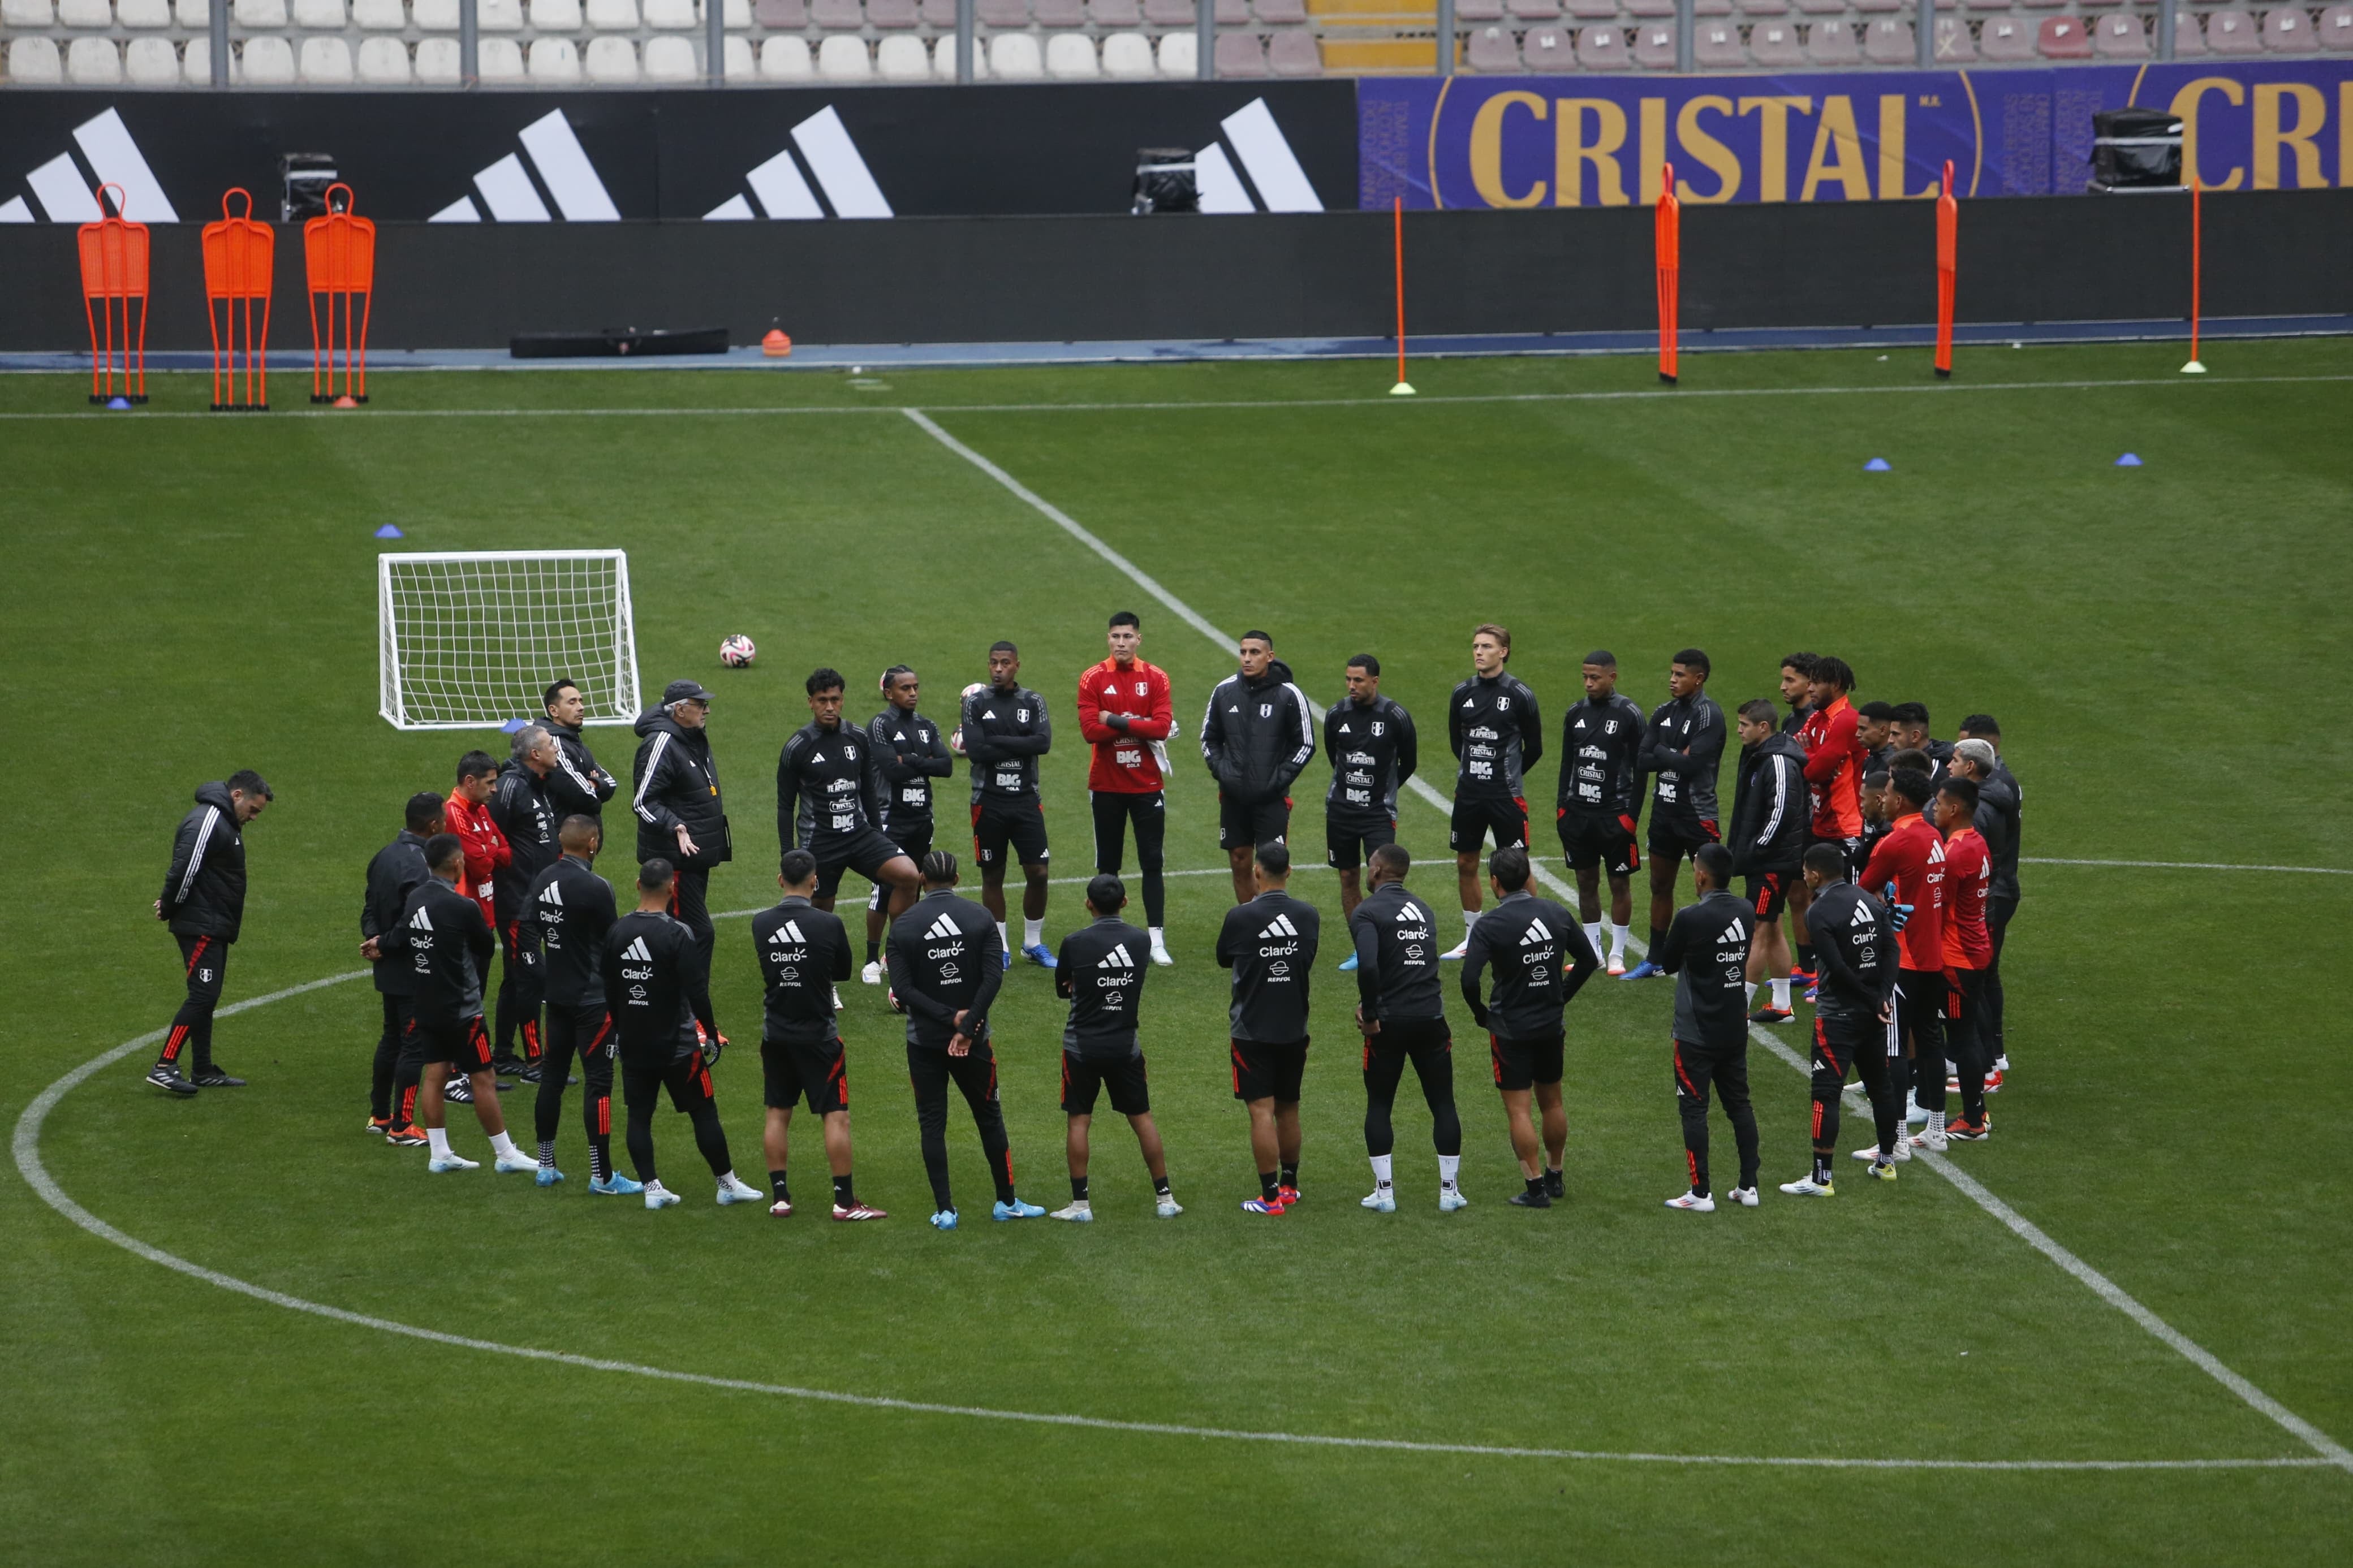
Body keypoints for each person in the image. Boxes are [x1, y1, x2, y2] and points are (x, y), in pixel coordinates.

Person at [886, 851, 1046, 1229]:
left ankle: (945, 1210)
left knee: (932, 1124)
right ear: (957, 878)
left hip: (924, 1042)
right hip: (975, 1042)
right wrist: (967, 1025)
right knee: (990, 1117)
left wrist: (947, 1019)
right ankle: (1006, 1201)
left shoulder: (905, 925)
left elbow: (903, 988)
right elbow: (993, 978)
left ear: (922, 879)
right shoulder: (980, 918)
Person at [600, 859, 763, 1211]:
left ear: (637, 884)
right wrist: (709, 1031)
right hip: (677, 1044)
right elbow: (697, 991)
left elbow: (610, 987)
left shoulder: (617, 931)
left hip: (633, 1042)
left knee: (639, 1115)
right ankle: (727, 1184)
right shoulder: (677, 933)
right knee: (704, 1112)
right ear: (672, 889)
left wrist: (620, 1026)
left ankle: (652, 1189)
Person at [374, 833, 536, 1175]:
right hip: (463, 1010)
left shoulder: (417, 896)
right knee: (484, 1078)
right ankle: (505, 1153)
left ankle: (440, 1153)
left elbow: (403, 935)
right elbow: (483, 945)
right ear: (458, 863)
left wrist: (381, 944)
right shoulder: (463, 906)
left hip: (426, 1004)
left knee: (435, 1073)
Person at [1460, 845, 1600, 1209]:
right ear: (1528, 877)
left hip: (1510, 1030)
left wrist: (1480, 1013)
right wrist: (1561, 996)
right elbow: (1588, 960)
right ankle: (1555, 1176)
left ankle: (1535, 1188)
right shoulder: (1555, 912)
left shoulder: (1490, 925)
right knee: (1552, 1102)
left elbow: (1469, 980)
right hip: (1551, 1025)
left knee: (1519, 1111)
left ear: (1494, 882)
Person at [753, 848, 882, 1221]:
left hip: (775, 1031)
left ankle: (780, 1197)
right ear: (815, 881)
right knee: (835, 1115)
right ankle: (844, 1202)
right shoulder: (829, 924)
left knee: (777, 1112)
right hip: (819, 1035)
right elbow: (842, 969)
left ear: (780, 880)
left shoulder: (761, 923)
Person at [1050, 875, 1182, 1221]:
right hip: (1126, 1046)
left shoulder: (1074, 943)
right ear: (1125, 902)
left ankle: (1080, 1206)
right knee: (1142, 1120)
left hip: (1081, 1046)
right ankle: (1165, 1199)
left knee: (1079, 1122)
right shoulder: (1140, 941)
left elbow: (1062, 990)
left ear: (1088, 904)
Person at [1347, 844, 1467, 1213]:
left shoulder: (1367, 911)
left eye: (1370, 865)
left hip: (1390, 1023)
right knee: (1443, 1102)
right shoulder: (1424, 909)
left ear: (1380, 869)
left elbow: (1368, 967)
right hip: (1431, 1017)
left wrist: (1370, 1013)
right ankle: (1449, 1191)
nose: (1367, 871)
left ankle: (1385, 1193)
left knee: (1380, 1104)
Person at [520, 814, 633, 1194]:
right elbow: (615, 945)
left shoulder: (543, 879)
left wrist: (543, 977)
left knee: (552, 1076)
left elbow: (527, 929)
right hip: (593, 1000)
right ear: (593, 844)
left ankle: (546, 1164)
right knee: (599, 1083)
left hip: (558, 996)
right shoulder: (596, 887)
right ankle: (601, 1175)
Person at [1782, 842, 1901, 1194]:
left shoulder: (1817, 912)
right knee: (1880, 1087)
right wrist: (1882, 996)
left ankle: (1822, 1179)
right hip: (1872, 1014)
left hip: (1838, 1017)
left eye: (1805, 871)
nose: (1803, 876)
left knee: (1825, 1094)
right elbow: (1892, 948)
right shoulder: (1868, 899)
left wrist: (1870, 997)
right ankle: (1887, 1163)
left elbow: (1835, 965)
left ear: (1816, 875)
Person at [147, 771, 272, 1095]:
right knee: (203, 996)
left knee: (207, 996)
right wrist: (171, 906)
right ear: (237, 795)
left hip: (213, 923)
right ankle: (164, 1065)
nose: (254, 818)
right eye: (254, 810)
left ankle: (202, 1068)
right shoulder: (209, 820)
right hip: (200, 924)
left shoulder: (224, 821)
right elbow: (184, 869)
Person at [776, 668, 922, 938]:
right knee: (821, 911)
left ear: (843, 699)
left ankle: (897, 951)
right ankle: (822, 974)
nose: (829, 707)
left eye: (835, 699)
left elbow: (868, 790)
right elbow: (785, 806)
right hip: (820, 840)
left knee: (909, 875)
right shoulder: (798, 747)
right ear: (811, 702)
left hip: (859, 834)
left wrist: (878, 834)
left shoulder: (857, 736)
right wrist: (789, 855)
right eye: (822, 700)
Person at [1215, 841, 1320, 1213]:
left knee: (1262, 1111)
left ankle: (1271, 1197)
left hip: (1252, 1030)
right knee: (1289, 1109)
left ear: (1256, 871)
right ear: (1289, 871)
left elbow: (1223, 957)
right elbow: (1307, 957)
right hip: (1294, 1026)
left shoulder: (1240, 917)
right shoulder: (1308, 916)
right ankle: (1290, 1185)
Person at [1654, 844, 1760, 1212]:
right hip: (1733, 1025)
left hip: (1695, 1031)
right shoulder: (1746, 910)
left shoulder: (1689, 917)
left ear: (1701, 875)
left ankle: (1701, 1193)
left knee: (1694, 1110)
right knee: (1740, 1105)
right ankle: (1749, 1185)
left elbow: (1667, 963)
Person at [1077, 612, 1176, 966]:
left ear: (1139, 640)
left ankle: (1156, 941)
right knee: (1108, 864)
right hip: (1106, 785)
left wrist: (1114, 720)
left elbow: (1163, 728)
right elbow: (1091, 731)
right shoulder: (1092, 678)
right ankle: (1107, 936)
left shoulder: (1156, 678)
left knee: (1152, 861)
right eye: (1116, 636)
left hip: (1147, 785)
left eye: (1128, 637)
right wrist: (1140, 726)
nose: (1121, 642)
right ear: (1108, 639)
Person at [1858, 770, 1949, 1151]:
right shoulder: (1933, 835)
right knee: (1930, 1039)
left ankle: (1894, 1141)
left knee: (1893, 1048)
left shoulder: (1897, 841)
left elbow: (1862, 889)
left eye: (1890, 793)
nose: (1884, 798)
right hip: (1932, 956)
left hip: (1903, 959)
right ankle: (1937, 1129)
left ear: (1900, 801)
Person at [1444, 624, 1544, 960]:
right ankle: (1473, 936)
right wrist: (1476, 772)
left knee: (1518, 865)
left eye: (1486, 646)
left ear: (1503, 652)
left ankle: (1534, 931)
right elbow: (1458, 741)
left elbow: (1535, 747)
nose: (1478, 652)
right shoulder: (1462, 693)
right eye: (1475, 646)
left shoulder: (1519, 694)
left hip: (1506, 797)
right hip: (1469, 794)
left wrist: (1508, 775)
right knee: (1465, 861)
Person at [1627, 649, 1726, 980]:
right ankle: (1655, 958)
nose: (1672, 679)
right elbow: (1642, 760)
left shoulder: (1709, 715)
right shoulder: (1663, 712)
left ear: (1698, 679)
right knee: (1659, 884)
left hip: (1698, 814)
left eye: (1680, 675)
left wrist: (1661, 752)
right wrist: (1671, 754)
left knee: (1711, 890)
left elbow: (1693, 764)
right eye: (1672, 673)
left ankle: (1713, 956)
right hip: (1664, 813)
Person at [1200, 630, 1316, 906]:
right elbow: (1209, 738)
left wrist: (1277, 781)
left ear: (1270, 657)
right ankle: (1250, 923)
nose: (1247, 659)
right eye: (1243, 653)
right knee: (1239, 860)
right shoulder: (1224, 691)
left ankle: (1269, 921)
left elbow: (1306, 744)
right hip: (1234, 797)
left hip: (1271, 799)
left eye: (1255, 653)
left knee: (1271, 866)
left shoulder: (1289, 695)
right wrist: (1223, 772)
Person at [959, 642, 1056, 969]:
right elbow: (976, 750)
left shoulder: (1033, 701)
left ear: (1017, 666)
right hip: (988, 801)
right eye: (993, 664)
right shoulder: (976, 702)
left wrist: (995, 740)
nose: (998, 669)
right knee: (993, 874)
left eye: (1005, 663)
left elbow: (1042, 743)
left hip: (1027, 800)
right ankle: (1000, 947)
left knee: (1038, 872)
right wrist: (1020, 744)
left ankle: (1033, 943)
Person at [1553, 650, 1645, 978]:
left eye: (1595, 678)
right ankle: (1593, 952)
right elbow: (1567, 763)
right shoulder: (1575, 713)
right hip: (1578, 814)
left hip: (1614, 815)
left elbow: (1641, 769)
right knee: (1585, 881)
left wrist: (1631, 817)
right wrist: (1562, 808)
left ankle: (1617, 954)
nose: (1589, 684)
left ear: (1612, 677)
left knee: (1619, 883)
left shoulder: (1629, 714)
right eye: (1585, 677)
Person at [630, 679, 731, 974]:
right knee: (694, 933)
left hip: (694, 858)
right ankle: (684, 1008)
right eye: (700, 705)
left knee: (685, 932)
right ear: (680, 710)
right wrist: (676, 826)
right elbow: (643, 802)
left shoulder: (691, 735)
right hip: (676, 860)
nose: (707, 711)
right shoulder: (661, 743)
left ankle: (679, 1005)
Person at [1322, 654, 1417, 962]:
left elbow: (1409, 762)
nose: (1352, 685)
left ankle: (1386, 945)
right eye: (1348, 679)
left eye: (1358, 680)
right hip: (1340, 812)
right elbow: (1333, 756)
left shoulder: (1395, 716)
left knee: (1383, 878)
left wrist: (1382, 790)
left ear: (1374, 681)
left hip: (1378, 814)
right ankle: (1363, 948)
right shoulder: (1337, 714)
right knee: (1348, 877)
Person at [861, 666, 953, 986]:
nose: (913, 693)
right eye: (905, 688)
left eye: (915, 687)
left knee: (913, 886)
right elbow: (890, 770)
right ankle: (871, 960)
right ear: (889, 693)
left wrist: (909, 759)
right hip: (889, 819)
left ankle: (896, 952)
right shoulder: (880, 725)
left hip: (921, 817)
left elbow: (947, 766)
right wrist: (921, 760)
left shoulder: (927, 725)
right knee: (883, 889)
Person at [360, 791, 443, 1138]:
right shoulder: (420, 865)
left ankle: (379, 1115)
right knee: (413, 1045)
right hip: (414, 967)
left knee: (391, 1039)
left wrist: (374, 940)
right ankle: (402, 1124)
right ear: (434, 825)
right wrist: (387, 943)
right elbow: (416, 921)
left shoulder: (384, 856)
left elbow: (368, 907)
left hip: (388, 968)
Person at [1726, 699, 1809, 1025]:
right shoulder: (1760, 755)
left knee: (1758, 928)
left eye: (1745, 725)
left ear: (1763, 727)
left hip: (1772, 861)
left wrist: (1758, 849)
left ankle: (1738, 1006)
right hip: (1766, 859)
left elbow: (1783, 811)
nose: (1739, 730)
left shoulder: (1778, 760)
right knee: (1772, 926)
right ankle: (1782, 1004)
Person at [489, 725, 559, 1080]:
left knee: (516, 980)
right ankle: (535, 1061)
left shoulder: (535, 785)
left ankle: (502, 1054)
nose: (556, 749)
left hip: (533, 900)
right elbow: (492, 837)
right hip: (519, 904)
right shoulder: (512, 788)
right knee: (532, 978)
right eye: (550, 744)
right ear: (535, 754)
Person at [1790, 655, 1865, 983]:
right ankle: (1819, 973)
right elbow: (1796, 756)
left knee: (1846, 907)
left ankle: (1846, 975)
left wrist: (1811, 759)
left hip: (1846, 827)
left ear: (1834, 685)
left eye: (1816, 682)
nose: (1810, 688)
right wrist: (1812, 760)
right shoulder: (1818, 719)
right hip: (1820, 824)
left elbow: (1814, 769)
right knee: (1817, 899)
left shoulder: (1846, 720)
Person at [1954, 718, 2021, 1079]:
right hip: (1996, 891)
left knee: (1977, 980)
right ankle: (1991, 1055)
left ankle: (1990, 1061)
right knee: (1983, 977)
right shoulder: (2000, 789)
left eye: (1957, 753)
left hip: (1992, 895)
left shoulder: (1986, 802)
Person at [1932, 777, 1995, 1140]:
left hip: (1957, 959)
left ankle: (1973, 1119)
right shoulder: (1976, 841)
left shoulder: (1954, 853)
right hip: (1974, 948)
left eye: (1939, 804)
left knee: (1961, 1037)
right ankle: (1973, 1113)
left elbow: (1939, 907)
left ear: (1954, 809)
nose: (1935, 809)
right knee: (1962, 1033)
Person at [445, 750, 508, 939]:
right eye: (490, 783)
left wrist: (486, 849)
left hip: (485, 914)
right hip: (465, 919)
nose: (495, 789)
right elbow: (480, 867)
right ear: (470, 782)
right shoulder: (454, 814)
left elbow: (507, 856)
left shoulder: (481, 809)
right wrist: (492, 847)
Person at [541, 677, 619, 824]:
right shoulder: (554, 745)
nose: (581, 707)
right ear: (554, 710)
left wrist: (594, 784)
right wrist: (594, 787)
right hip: (565, 838)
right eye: (572, 702)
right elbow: (583, 796)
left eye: (581, 701)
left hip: (583, 838)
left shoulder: (575, 743)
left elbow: (611, 782)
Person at [1890, 703, 1955, 776]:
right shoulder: (1899, 762)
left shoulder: (1935, 772)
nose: (1890, 740)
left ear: (1915, 737)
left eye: (1895, 734)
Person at [1778, 653, 1818, 736]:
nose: (1783, 687)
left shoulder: (1820, 723)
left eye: (1790, 680)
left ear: (1810, 684)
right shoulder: (1789, 720)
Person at [1856, 701, 1898, 773]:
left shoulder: (1892, 765)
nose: (1857, 734)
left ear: (1882, 730)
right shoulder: (1872, 757)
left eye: (1863, 729)